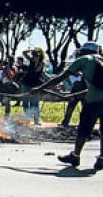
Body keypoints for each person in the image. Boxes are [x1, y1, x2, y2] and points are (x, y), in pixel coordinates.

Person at [34, 42, 103, 170]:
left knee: (83, 129)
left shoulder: (84, 60)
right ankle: (101, 159)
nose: (79, 53)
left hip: (93, 102)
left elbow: (61, 77)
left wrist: (40, 87)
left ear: (85, 51)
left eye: (81, 51)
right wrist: (78, 94)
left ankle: (75, 156)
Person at [19, 48, 46, 124]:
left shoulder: (42, 63)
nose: (35, 56)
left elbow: (36, 71)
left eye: (37, 55)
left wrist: (36, 60)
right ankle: (27, 119)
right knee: (25, 102)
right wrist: (31, 50)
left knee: (34, 103)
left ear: (40, 55)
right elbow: (24, 52)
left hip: (35, 84)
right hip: (26, 83)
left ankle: (36, 120)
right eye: (34, 55)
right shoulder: (31, 60)